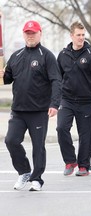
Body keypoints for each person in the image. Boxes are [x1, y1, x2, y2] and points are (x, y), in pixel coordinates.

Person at [0, 20, 61, 191]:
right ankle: (24, 171)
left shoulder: (46, 55)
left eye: (33, 32)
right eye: (27, 33)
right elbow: (7, 78)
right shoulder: (16, 56)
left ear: (40, 33)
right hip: (18, 110)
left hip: (39, 110)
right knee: (11, 140)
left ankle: (37, 178)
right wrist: (2, 75)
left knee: (38, 146)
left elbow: (56, 80)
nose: (30, 35)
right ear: (24, 34)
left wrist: (55, 103)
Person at [57, 21, 91, 177]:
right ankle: (70, 161)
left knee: (86, 134)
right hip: (67, 99)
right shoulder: (63, 55)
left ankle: (84, 166)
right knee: (61, 128)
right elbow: (56, 79)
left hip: (86, 101)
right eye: (78, 35)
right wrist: (53, 101)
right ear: (71, 36)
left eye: (83, 35)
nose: (81, 38)